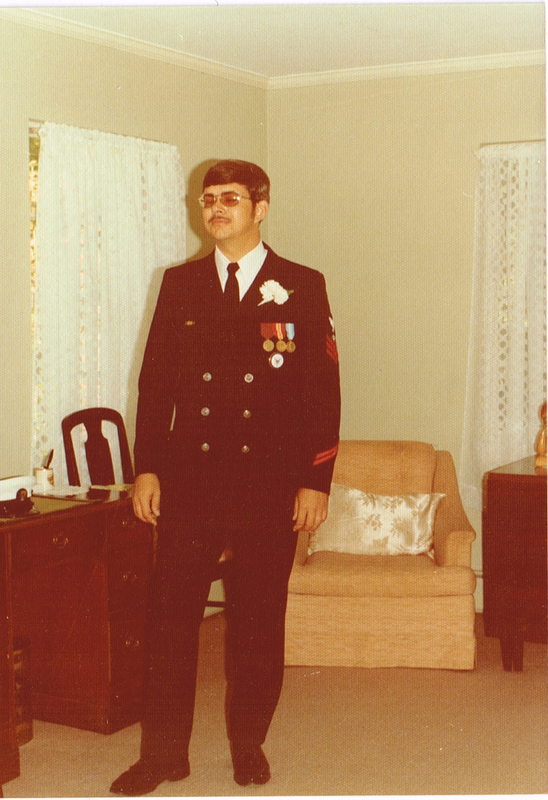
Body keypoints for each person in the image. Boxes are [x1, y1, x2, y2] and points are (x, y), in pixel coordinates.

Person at [110, 160, 341, 795]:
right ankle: (163, 755)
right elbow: (155, 385)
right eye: (208, 198)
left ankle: (248, 743)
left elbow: (323, 392)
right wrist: (147, 467)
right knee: (170, 620)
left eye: (230, 198)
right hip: (191, 482)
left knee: (258, 622)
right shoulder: (180, 283)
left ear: (260, 208)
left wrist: (316, 480)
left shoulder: (301, 285)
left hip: (270, 484)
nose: (215, 207)